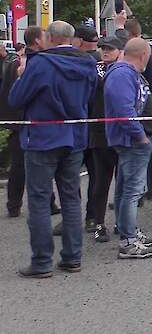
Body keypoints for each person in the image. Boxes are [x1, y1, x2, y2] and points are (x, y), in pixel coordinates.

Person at [9, 21, 97, 278]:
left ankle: (42, 261)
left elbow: (16, 99)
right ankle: (72, 257)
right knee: (70, 198)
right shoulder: (87, 63)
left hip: (42, 138)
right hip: (75, 136)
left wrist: (20, 76)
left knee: (38, 200)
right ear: (72, 39)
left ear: (49, 38)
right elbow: (90, 98)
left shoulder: (40, 64)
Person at [104, 38, 152, 259]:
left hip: (131, 139)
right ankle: (128, 240)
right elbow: (123, 109)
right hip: (131, 140)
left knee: (126, 188)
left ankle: (128, 230)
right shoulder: (122, 74)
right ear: (143, 55)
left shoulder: (124, 73)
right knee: (131, 191)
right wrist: (140, 136)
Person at [113, 15, 152, 200]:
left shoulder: (136, 53)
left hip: (138, 104)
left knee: (141, 148)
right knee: (150, 148)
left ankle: (137, 192)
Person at [0, 27, 43, 218]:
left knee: (26, 164)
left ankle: (16, 204)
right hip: (24, 120)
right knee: (25, 165)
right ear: (37, 40)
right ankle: (14, 204)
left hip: (17, 121)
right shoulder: (24, 62)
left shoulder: (15, 60)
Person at [86, 37, 124, 243]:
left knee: (123, 180)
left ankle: (122, 221)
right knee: (101, 181)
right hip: (100, 133)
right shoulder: (95, 71)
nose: (105, 52)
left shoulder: (125, 70)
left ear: (120, 50)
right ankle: (98, 223)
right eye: (103, 48)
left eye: (110, 48)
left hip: (120, 132)